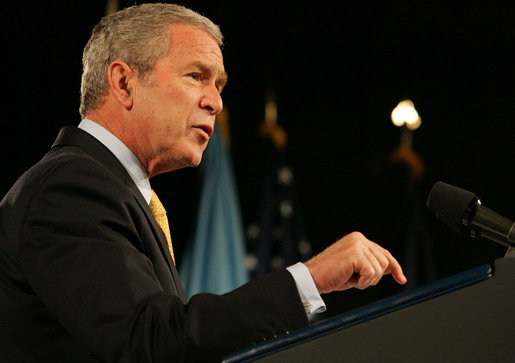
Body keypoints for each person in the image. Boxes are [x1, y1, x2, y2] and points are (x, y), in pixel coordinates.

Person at [0, 3, 406, 362]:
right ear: (124, 82)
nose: (216, 101)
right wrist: (311, 278)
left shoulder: (117, 191)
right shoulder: (69, 187)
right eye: (196, 76)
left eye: (219, 85)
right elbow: (151, 342)